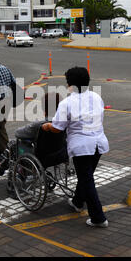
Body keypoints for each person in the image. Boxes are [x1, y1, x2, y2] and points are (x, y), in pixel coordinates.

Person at [42, 67, 110, 228]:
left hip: (82, 146)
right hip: (98, 143)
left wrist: (47, 126)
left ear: (70, 84)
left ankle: (98, 218)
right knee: (86, 176)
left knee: (87, 180)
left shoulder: (67, 103)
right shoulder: (96, 96)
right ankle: (77, 202)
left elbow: (58, 128)